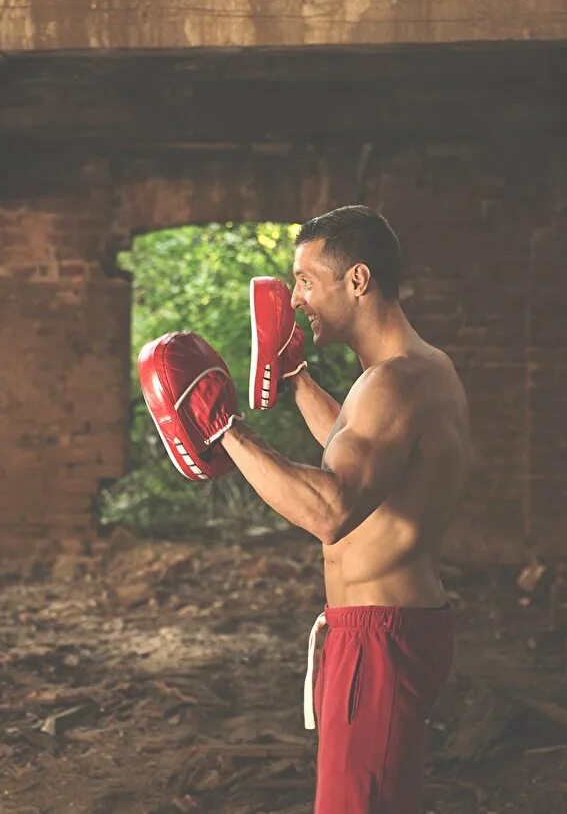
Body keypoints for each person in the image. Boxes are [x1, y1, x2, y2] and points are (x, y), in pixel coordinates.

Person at [139, 206, 467, 813]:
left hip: (380, 639)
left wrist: (224, 429)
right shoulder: (420, 370)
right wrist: (295, 378)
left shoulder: (393, 382)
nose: (296, 299)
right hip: (389, 626)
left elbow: (331, 509)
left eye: (307, 281)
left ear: (358, 281)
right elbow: (357, 452)